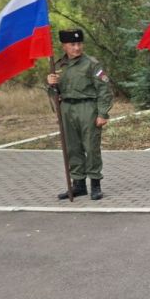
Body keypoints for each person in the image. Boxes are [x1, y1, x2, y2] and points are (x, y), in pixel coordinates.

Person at [46, 29, 113, 201]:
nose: (77, 48)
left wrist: (103, 113)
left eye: (79, 44)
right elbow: (54, 93)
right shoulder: (59, 65)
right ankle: (78, 185)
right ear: (64, 46)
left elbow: (104, 90)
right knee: (72, 148)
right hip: (67, 108)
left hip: (87, 109)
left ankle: (96, 184)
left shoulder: (91, 64)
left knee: (91, 147)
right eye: (72, 44)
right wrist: (50, 84)